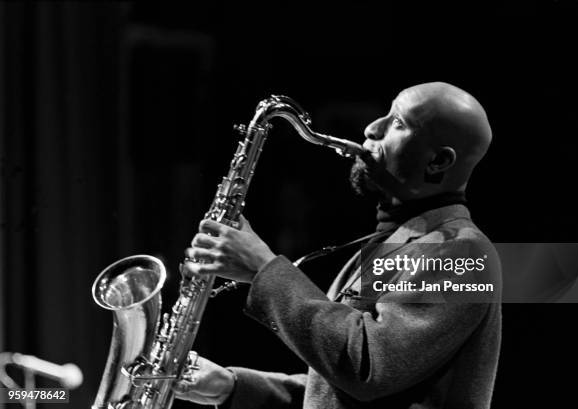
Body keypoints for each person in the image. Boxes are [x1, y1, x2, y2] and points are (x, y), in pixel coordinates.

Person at [177, 82, 502, 409]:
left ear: (438, 162)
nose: (372, 128)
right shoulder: (397, 241)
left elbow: (370, 368)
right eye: (385, 114)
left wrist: (264, 268)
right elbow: (339, 394)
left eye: (399, 124)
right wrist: (231, 387)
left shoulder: (463, 252)